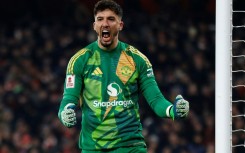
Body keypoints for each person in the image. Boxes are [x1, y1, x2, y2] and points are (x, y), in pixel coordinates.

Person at [58, 0, 189, 152]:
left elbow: (156, 100)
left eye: (111, 19)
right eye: (100, 19)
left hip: (130, 146)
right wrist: (64, 114)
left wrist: (173, 110)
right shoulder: (79, 61)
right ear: (94, 26)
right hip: (94, 148)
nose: (105, 24)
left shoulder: (138, 59)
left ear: (120, 25)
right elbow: (69, 99)